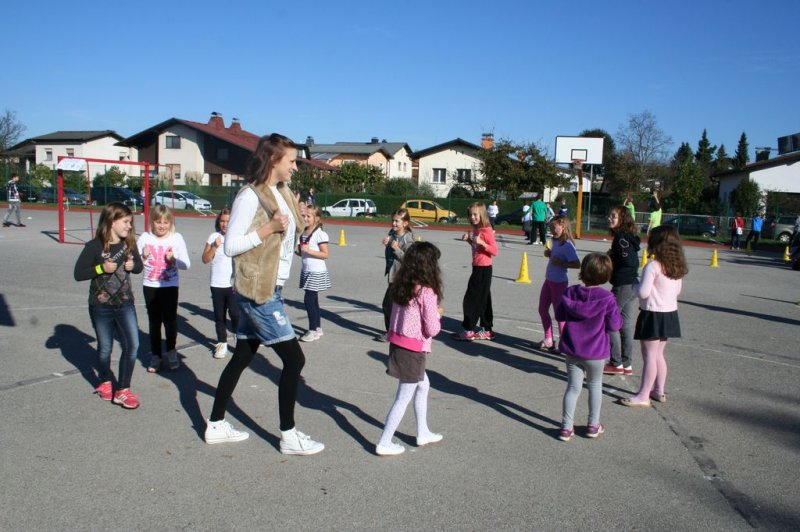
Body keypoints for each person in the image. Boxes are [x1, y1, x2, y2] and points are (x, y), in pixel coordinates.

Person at [205, 133, 324, 456]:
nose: (295, 167)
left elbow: (294, 233)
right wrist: (267, 229)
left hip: (273, 286)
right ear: (273, 161)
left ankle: (215, 424)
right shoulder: (249, 197)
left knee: (243, 355)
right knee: (294, 359)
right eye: (291, 161)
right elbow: (230, 246)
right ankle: (289, 435)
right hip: (258, 291)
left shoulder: (281, 192)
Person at [375, 241, 444, 456]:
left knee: (423, 385)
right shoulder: (426, 292)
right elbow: (432, 328)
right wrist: (439, 315)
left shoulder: (401, 285)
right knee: (404, 396)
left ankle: (422, 431)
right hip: (413, 348)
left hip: (398, 343)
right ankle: (385, 441)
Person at [73, 203, 144, 409]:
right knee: (105, 348)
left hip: (125, 303)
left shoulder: (129, 244)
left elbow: (138, 267)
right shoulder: (94, 246)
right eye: (125, 222)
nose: (129, 226)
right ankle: (105, 380)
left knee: (133, 345)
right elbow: (78, 273)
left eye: (130, 222)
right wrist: (100, 267)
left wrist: (134, 266)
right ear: (112, 222)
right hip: (100, 305)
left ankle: (123, 389)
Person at [555, 253, 622, 441]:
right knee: (594, 386)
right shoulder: (607, 298)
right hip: (596, 352)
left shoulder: (569, 293)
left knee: (573, 388)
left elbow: (559, 315)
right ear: (606, 274)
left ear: (583, 272)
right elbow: (614, 325)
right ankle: (593, 425)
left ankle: (566, 427)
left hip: (572, 348)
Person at [621, 225, 688, 407]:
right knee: (659, 354)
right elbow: (678, 291)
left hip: (653, 314)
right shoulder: (676, 266)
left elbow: (643, 292)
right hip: (669, 314)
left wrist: (634, 286)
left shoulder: (653, 266)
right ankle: (659, 390)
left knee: (649, 355)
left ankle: (643, 395)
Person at [137, 205, 191, 372]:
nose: (162, 226)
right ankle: (156, 356)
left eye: (165, 222)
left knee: (170, 320)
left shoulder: (176, 238)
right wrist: (143, 256)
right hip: (150, 285)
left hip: (169, 286)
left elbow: (186, 264)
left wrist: (173, 260)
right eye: (158, 222)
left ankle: (171, 351)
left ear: (170, 223)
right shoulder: (145, 238)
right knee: (154, 322)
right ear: (152, 222)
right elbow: (136, 266)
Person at [604, 206, 642, 376]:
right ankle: (626, 364)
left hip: (623, 285)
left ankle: (616, 362)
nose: (609, 218)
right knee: (625, 325)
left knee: (609, 320)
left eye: (613, 216)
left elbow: (628, 261)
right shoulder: (627, 237)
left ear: (622, 219)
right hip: (633, 284)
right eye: (609, 215)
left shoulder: (620, 238)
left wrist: (611, 258)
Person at [535, 216, 580, 349]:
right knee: (542, 309)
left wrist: (562, 263)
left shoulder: (567, 245)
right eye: (550, 227)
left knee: (559, 314)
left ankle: (563, 343)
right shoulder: (555, 242)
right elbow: (555, 256)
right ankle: (548, 339)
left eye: (554, 227)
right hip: (549, 280)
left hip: (559, 283)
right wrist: (550, 254)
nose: (552, 230)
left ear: (563, 227)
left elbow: (577, 264)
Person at [201, 207, 240, 359]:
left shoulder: (237, 237)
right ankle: (221, 343)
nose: (224, 224)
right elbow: (205, 259)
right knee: (219, 316)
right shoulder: (213, 237)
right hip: (217, 284)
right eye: (222, 221)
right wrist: (214, 246)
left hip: (232, 285)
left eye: (228, 221)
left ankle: (239, 338)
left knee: (236, 314)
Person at [458, 202, 498, 341]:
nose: (473, 217)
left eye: (475, 214)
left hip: (484, 268)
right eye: (470, 215)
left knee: (471, 299)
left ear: (482, 214)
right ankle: (487, 330)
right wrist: (469, 240)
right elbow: (477, 247)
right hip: (477, 266)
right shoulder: (476, 229)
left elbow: (494, 250)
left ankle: (468, 329)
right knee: (484, 298)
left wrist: (482, 243)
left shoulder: (486, 230)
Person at [379, 209, 415, 341]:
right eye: (393, 220)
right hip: (393, 274)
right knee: (395, 305)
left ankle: (392, 332)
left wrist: (397, 249)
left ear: (405, 223)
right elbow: (390, 252)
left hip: (401, 277)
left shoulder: (408, 239)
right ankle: (398, 331)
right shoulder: (392, 233)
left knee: (388, 305)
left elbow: (410, 260)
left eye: (396, 221)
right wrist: (387, 244)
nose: (393, 223)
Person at [297, 204, 331, 342]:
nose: (305, 218)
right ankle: (317, 328)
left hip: (316, 272)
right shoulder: (303, 233)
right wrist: (297, 251)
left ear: (317, 218)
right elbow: (302, 253)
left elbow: (325, 254)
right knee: (314, 300)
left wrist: (309, 250)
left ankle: (312, 329)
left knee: (309, 300)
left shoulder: (320, 234)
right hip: (307, 270)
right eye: (304, 215)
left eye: (309, 216)